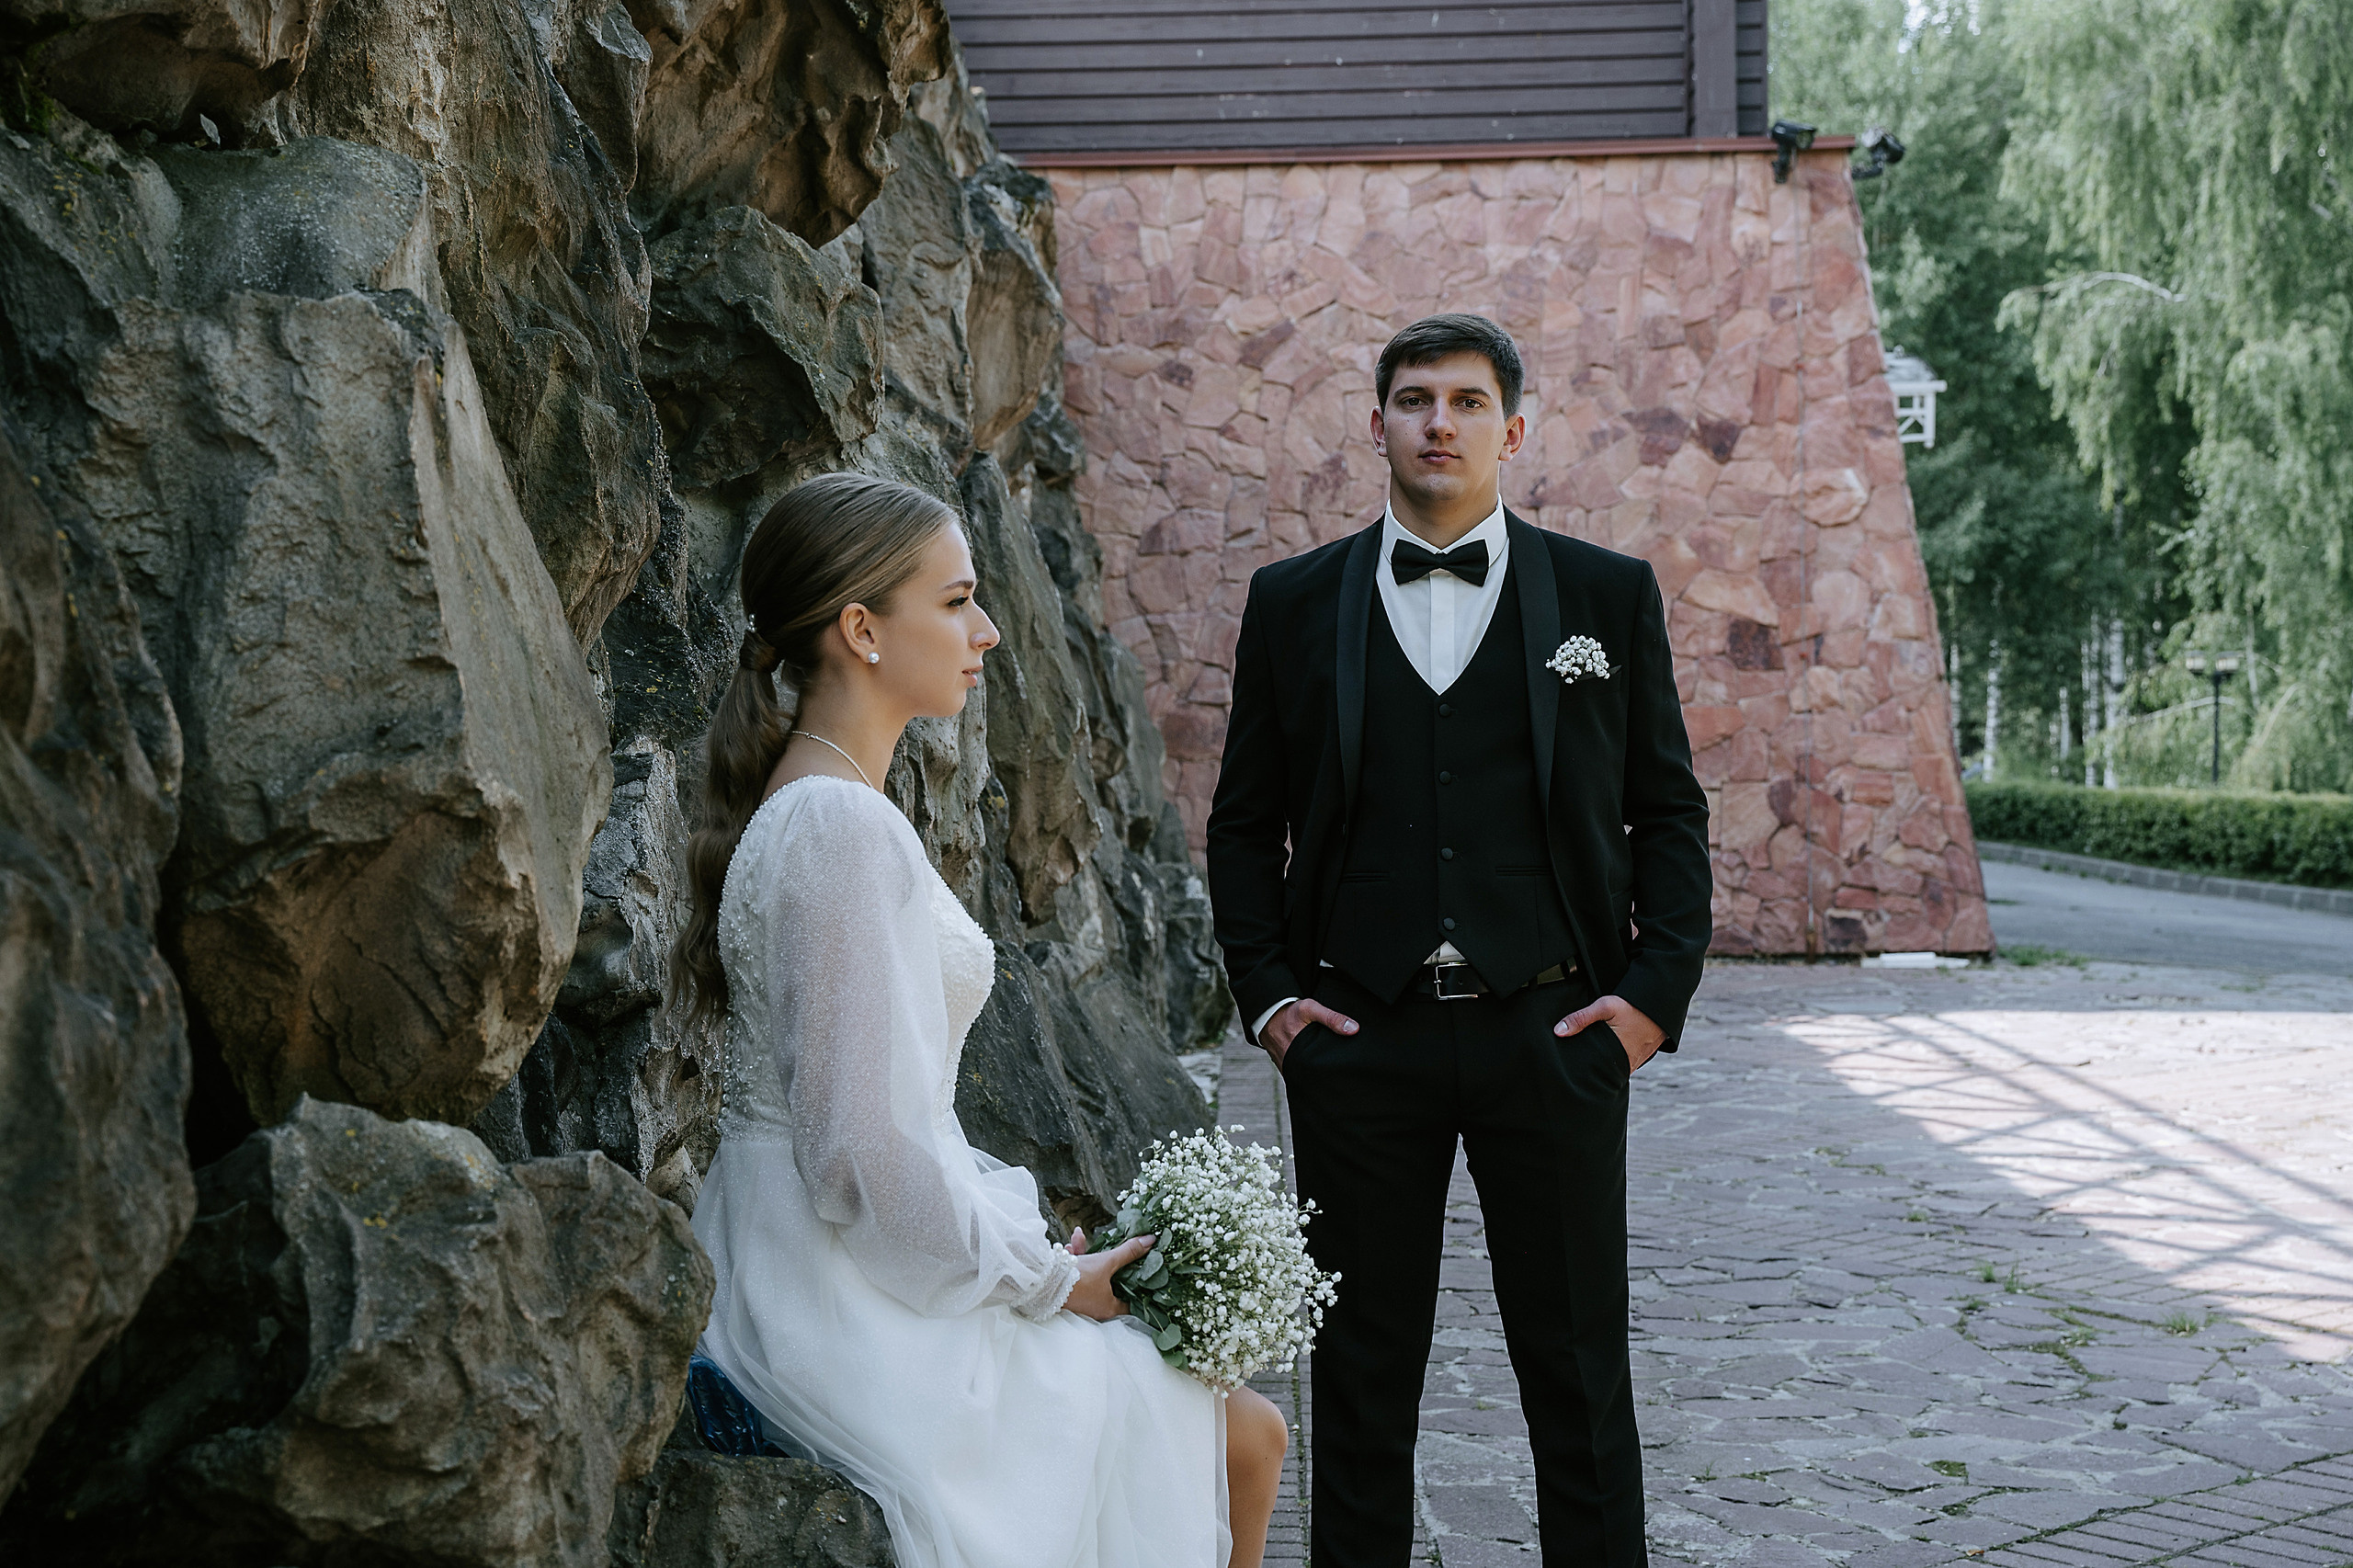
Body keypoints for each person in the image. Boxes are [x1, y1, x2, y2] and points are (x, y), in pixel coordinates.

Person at [674, 472, 1290, 1568]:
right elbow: (858, 1153)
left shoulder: (825, 805)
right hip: (830, 1297)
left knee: (1238, 1426)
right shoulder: (834, 828)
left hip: (824, 1254)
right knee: (1240, 1432)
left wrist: (1020, 1251)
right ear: (861, 629)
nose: (990, 631)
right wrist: (1048, 1281)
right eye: (956, 601)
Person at [1206, 315, 1712, 1565]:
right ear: (1375, 422)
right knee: (1363, 1378)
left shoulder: (1605, 595)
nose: (1442, 421)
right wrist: (1272, 999)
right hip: (1359, 1039)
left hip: (1553, 1031)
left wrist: (1649, 998)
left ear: (1513, 430)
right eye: (1417, 398)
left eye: (1470, 402)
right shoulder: (1291, 602)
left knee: (1579, 1371)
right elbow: (1242, 825)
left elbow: (1671, 811)